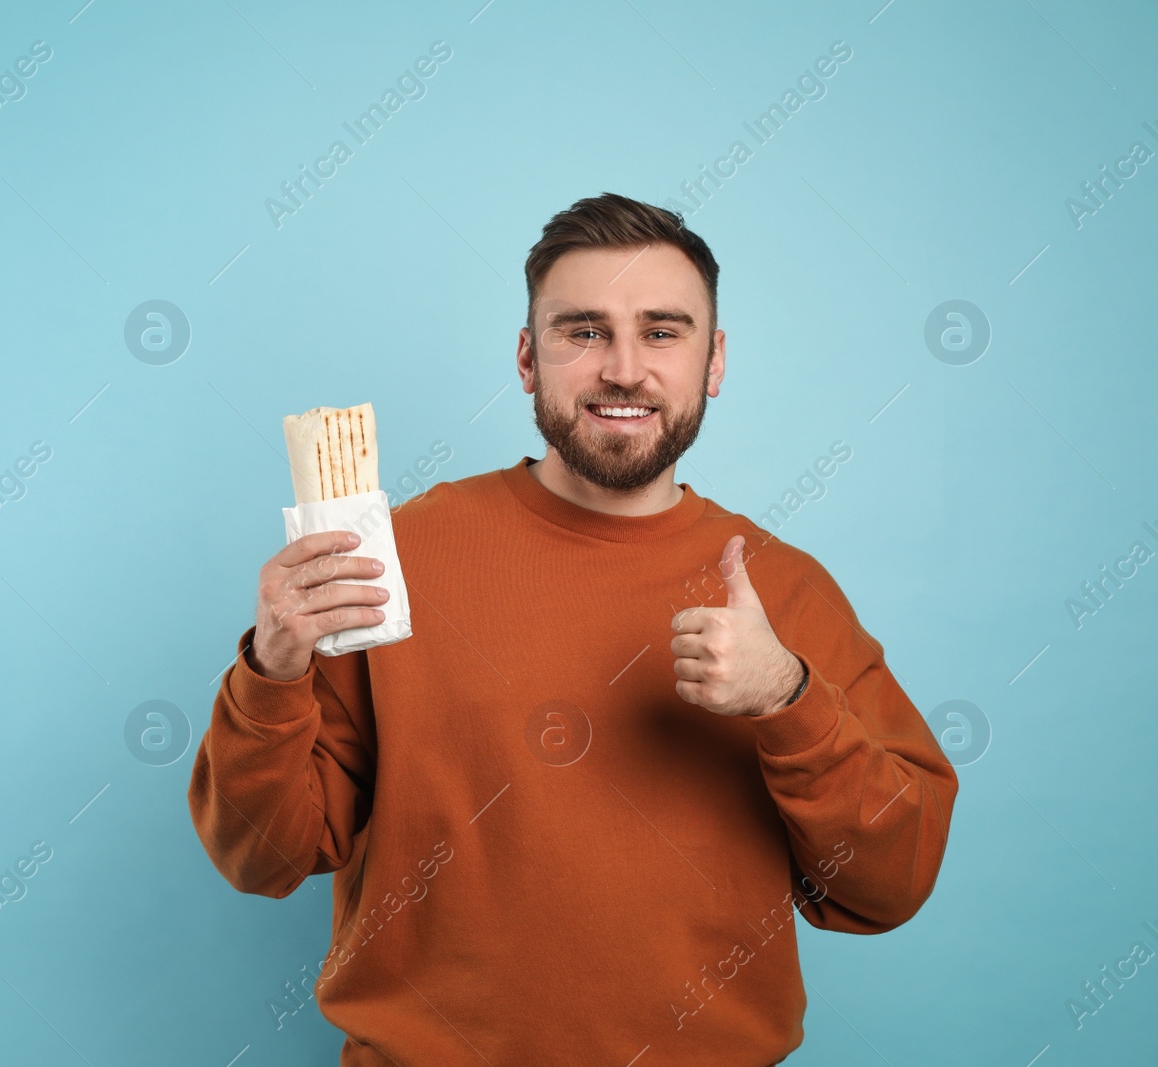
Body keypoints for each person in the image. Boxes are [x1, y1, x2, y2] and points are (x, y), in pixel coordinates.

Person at [187, 192, 959, 1066]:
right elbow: (263, 858)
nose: (624, 370)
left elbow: (891, 883)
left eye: (663, 332)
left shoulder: (785, 589)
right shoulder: (390, 562)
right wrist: (271, 672)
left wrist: (787, 699)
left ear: (715, 361)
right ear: (526, 357)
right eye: (583, 331)